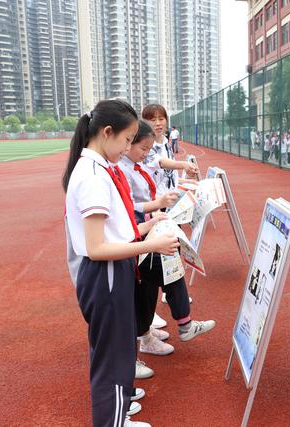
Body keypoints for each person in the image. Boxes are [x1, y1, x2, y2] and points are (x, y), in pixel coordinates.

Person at [63, 99, 180, 427]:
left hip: (112, 271)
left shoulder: (97, 168)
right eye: (128, 141)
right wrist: (151, 243)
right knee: (111, 357)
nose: (129, 148)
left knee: (114, 352)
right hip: (106, 273)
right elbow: (97, 247)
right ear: (107, 132)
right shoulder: (93, 176)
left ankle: (118, 411)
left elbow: (116, 230)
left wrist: (147, 226)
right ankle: (112, 420)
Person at [119, 119, 216, 354]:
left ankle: (160, 330)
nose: (146, 154)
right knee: (150, 283)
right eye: (142, 148)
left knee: (159, 277)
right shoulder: (121, 168)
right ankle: (156, 333)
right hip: (140, 233)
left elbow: (160, 164)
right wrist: (158, 204)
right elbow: (128, 205)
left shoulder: (139, 161)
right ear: (127, 142)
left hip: (151, 227)